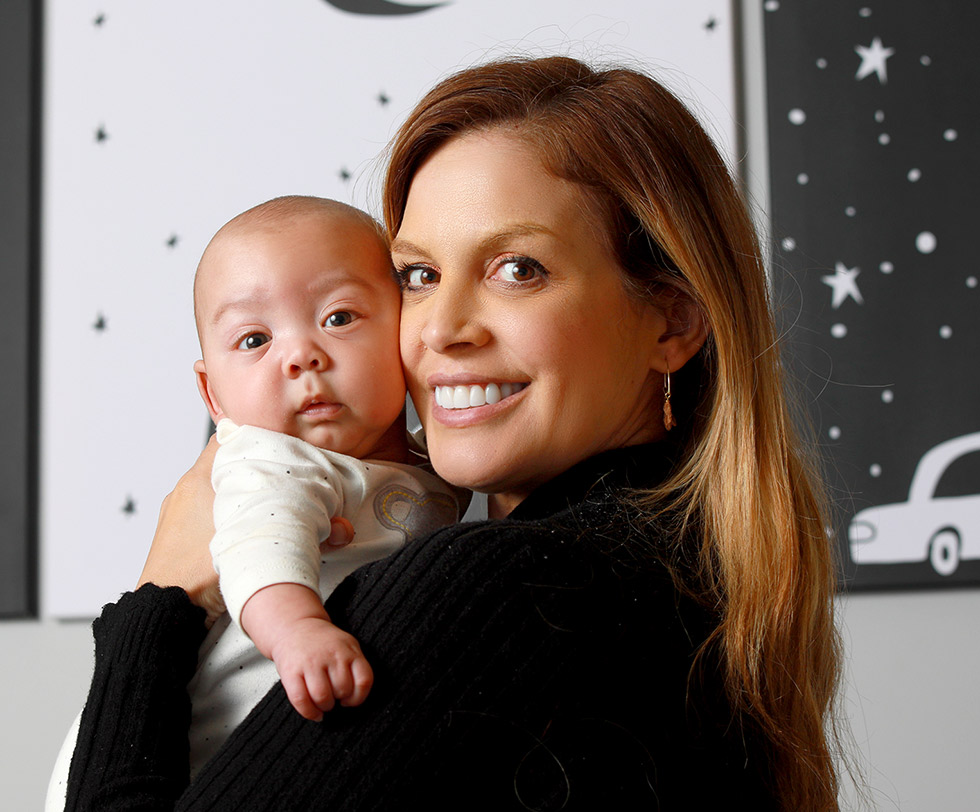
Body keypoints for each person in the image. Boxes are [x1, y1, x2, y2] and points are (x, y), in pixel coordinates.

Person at [58, 55, 842, 811]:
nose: (444, 329)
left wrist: (157, 604)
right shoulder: (693, 579)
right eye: (419, 276)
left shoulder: (506, 589)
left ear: (671, 321)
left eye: (518, 269)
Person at [185, 196, 464, 769]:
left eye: (339, 318)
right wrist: (298, 631)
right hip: (197, 750)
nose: (301, 356)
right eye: (255, 340)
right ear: (214, 396)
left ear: (406, 330)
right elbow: (258, 549)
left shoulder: (435, 460)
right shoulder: (271, 462)